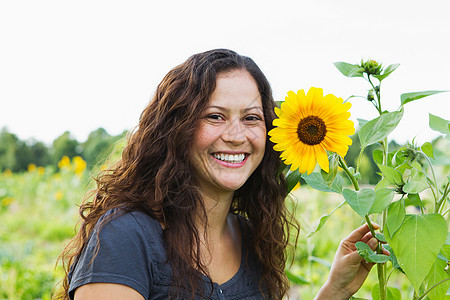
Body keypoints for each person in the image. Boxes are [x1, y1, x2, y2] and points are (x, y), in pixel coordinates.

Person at [56, 49, 383, 300]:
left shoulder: (252, 239)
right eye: (215, 116)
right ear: (176, 128)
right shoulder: (126, 237)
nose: (236, 135)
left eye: (252, 118)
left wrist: (333, 291)